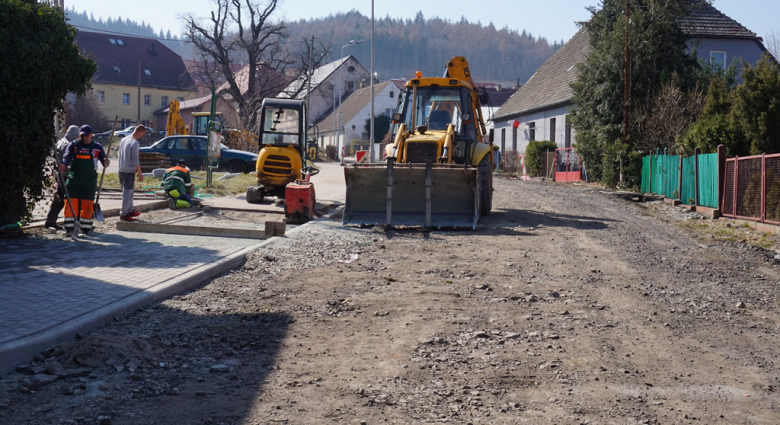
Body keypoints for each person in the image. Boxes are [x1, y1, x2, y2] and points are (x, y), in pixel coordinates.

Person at [59, 125, 109, 236]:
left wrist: (106, 161)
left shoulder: (97, 147)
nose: (83, 137)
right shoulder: (74, 145)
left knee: (87, 203)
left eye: (86, 135)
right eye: (81, 135)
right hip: (74, 177)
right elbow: (67, 157)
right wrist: (63, 165)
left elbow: (103, 159)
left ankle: (85, 228)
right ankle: (69, 228)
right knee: (70, 202)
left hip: (89, 179)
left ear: (91, 135)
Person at [44, 125, 79, 230]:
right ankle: (70, 221)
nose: (78, 138)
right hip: (65, 175)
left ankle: (50, 220)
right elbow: (69, 161)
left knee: (59, 199)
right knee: (66, 198)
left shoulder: (61, 141)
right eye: (77, 136)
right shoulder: (67, 145)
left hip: (59, 173)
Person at [117, 124, 145, 222]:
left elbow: (120, 153)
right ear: (140, 132)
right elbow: (135, 160)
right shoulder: (135, 143)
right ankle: (124, 213)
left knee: (129, 191)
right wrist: (140, 173)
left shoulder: (124, 140)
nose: (142, 136)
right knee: (127, 192)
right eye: (142, 134)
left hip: (121, 168)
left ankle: (130, 209)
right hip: (128, 171)